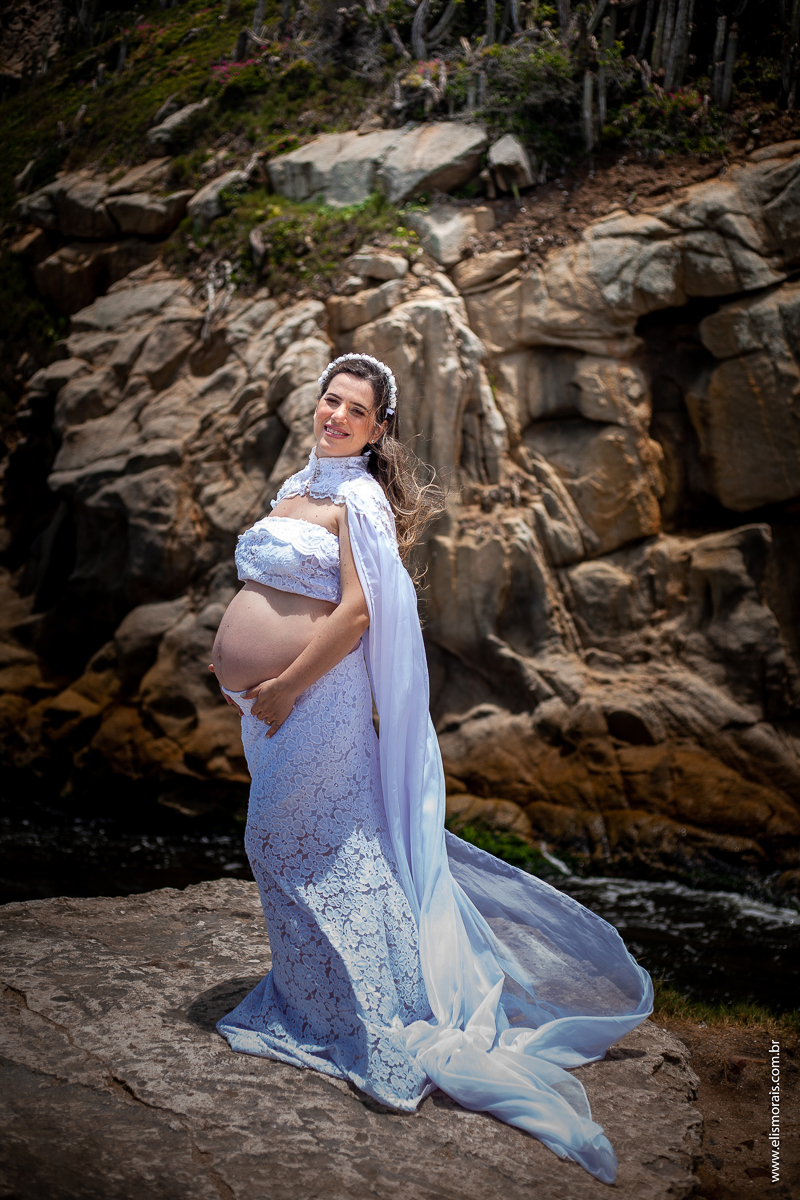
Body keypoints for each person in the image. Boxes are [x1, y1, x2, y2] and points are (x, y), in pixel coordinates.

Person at [210, 353, 653, 1184]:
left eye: (355, 410)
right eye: (329, 400)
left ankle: (371, 1020)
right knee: (285, 848)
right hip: (267, 707)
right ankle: (312, 1001)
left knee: (308, 844)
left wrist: (283, 687)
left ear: (380, 430)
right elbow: (271, 586)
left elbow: (358, 612)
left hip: (313, 700)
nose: (335, 415)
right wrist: (242, 675)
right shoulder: (297, 488)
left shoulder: (361, 497)